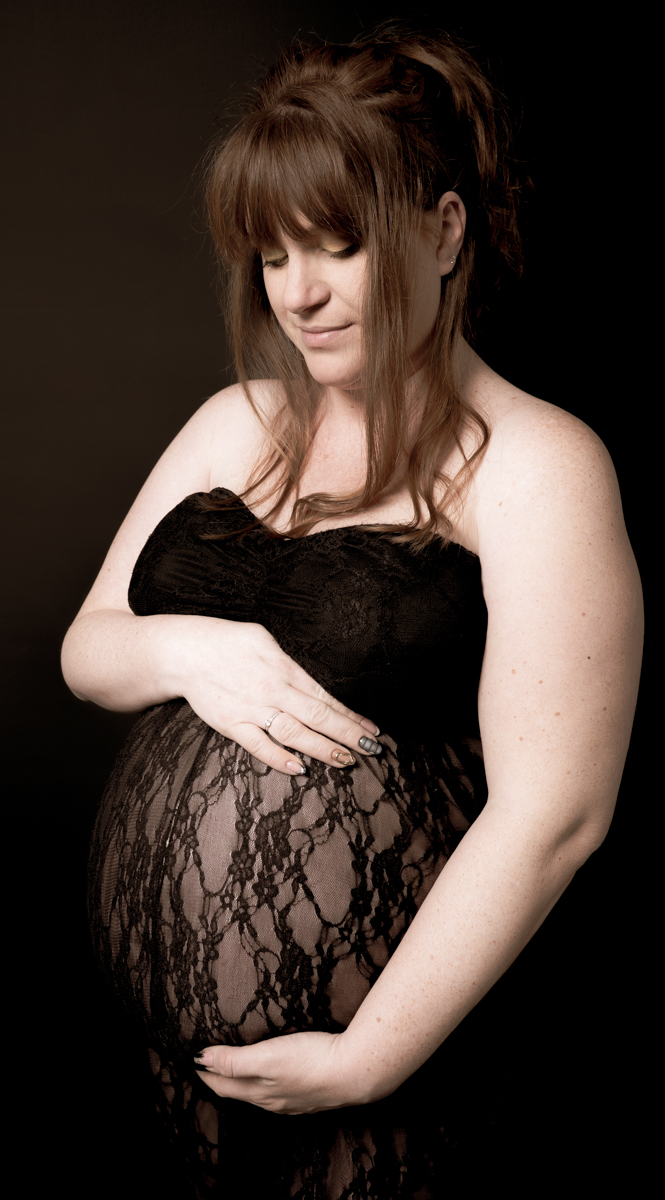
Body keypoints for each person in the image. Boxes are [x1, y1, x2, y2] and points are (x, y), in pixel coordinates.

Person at [61, 26, 642, 1198]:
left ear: (443, 229)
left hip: (384, 1075)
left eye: (339, 245)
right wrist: (191, 648)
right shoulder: (236, 422)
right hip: (166, 1066)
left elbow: (557, 814)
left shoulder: (535, 467)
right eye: (273, 255)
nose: (300, 294)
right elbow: (89, 651)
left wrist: (366, 1058)